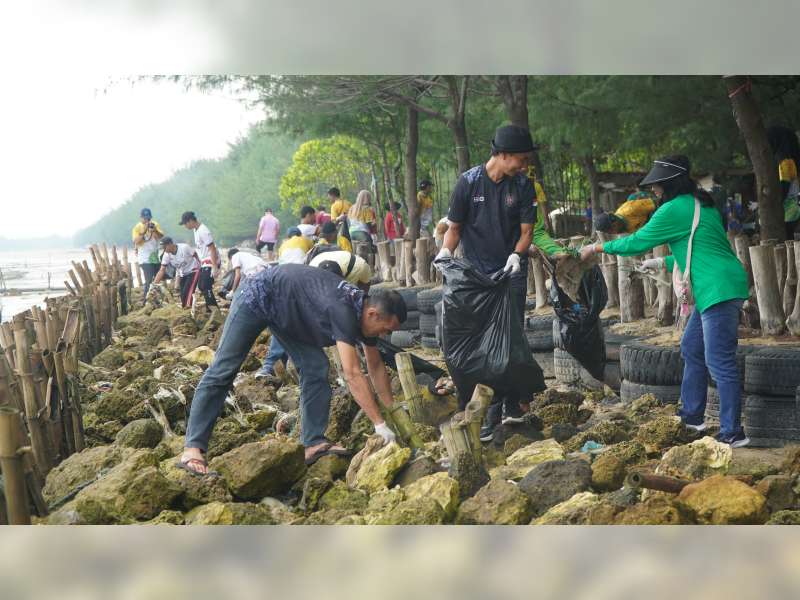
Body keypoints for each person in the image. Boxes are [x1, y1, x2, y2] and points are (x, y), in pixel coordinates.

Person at [580, 155, 750, 448]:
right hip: (721, 282)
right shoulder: (701, 205)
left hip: (717, 288)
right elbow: (702, 250)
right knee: (691, 347)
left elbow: (637, 241)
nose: (653, 191)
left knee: (718, 360)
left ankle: (733, 432)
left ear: (669, 184)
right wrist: (661, 262)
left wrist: (597, 247)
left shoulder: (673, 209)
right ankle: (692, 416)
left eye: (657, 185)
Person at [177, 265, 407, 474]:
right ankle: (192, 449)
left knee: (315, 365)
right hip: (257, 294)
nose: (384, 335)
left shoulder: (366, 316)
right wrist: (379, 425)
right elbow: (352, 373)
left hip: (288, 311)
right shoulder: (344, 310)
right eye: (385, 329)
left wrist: (391, 412)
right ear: (373, 314)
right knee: (224, 369)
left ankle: (313, 442)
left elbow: (375, 367)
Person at [435, 124, 546, 441]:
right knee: (477, 340)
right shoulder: (469, 183)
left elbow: (526, 233)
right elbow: (454, 228)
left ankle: (511, 406)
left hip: (510, 271)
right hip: (474, 274)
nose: (524, 165)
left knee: (509, 337)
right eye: (521, 159)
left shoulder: (522, 186)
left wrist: (515, 257)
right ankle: (484, 408)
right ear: (503, 154)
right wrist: (445, 253)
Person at [257, 250, 373, 379]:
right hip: (305, 283)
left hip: (346, 284)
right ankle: (270, 365)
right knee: (290, 321)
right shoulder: (311, 276)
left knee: (347, 320)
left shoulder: (361, 268)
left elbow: (366, 297)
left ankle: (357, 354)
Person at [179, 211, 220, 313]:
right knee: (202, 285)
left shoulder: (203, 231)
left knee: (205, 285)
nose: (185, 226)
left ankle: (214, 310)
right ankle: (210, 308)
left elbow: (212, 248)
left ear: (190, 221)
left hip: (211, 260)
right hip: (204, 261)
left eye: (185, 223)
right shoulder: (195, 230)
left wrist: (215, 267)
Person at [766, 126, 800, 240]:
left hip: (789, 211)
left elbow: (784, 186)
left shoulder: (784, 160)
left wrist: (773, 202)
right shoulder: (794, 157)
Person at [152, 237, 201, 308]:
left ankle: (188, 309)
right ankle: (185, 308)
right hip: (183, 274)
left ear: (170, 244)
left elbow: (195, 255)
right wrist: (154, 285)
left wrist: (201, 267)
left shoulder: (184, 247)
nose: (163, 249)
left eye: (164, 247)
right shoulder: (166, 254)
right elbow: (161, 270)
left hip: (193, 270)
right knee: (182, 295)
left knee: (188, 292)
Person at [131, 208, 164, 300]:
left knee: (157, 279)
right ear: (141, 218)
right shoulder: (137, 227)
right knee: (149, 279)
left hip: (155, 257)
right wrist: (144, 231)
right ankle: (146, 301)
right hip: (144, 259)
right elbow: (135, 241)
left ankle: (157, 299)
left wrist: (154, 230)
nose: (147, 220)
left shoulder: (155, 224)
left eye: (148, 218)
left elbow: (160, 237)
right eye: (145, 218)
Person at [593, 190, 657, 234]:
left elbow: (657, 202)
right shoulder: (622, 228)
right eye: (609, 232)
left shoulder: (631, 209)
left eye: (612, 230)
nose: (614, 233)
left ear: (614, 221)